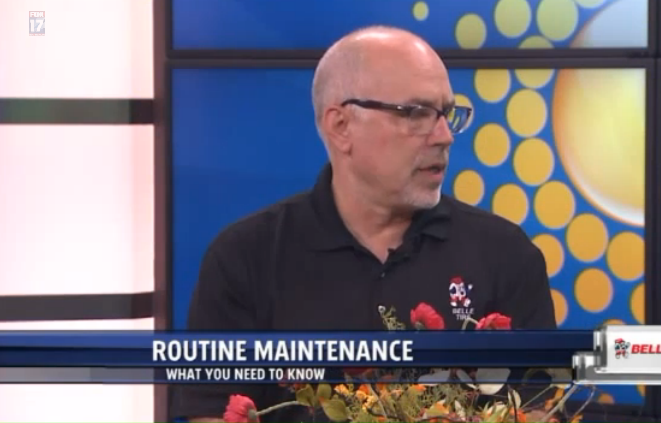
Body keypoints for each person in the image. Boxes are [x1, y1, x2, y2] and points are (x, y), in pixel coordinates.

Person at [171, 26, 557, 422]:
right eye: (417, 113)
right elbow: (213, 411)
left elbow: (540, 408)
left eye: (446, 114)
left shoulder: (506, 255)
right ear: (341, 126)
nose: (444, 136)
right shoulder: (245, 259)